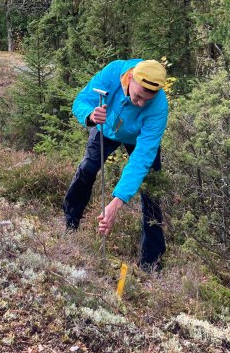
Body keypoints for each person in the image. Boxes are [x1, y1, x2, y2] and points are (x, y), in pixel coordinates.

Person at [62, 59, 169, 271]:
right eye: (137, 96)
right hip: (107, 129)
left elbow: (141, 158)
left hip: (139, 139)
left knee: (151, 190)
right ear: (129, 79)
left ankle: (151, 259)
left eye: (145, 101)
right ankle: (70, 222)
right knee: (87, 169)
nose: (139, 104)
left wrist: (117, 201)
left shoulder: (159, 107)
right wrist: (90, 115)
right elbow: (81, 100)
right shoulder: (113, 73)